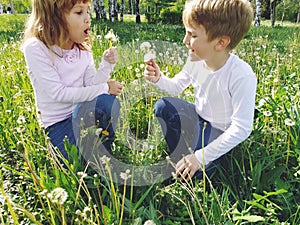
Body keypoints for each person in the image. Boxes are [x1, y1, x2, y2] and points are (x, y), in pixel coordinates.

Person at [144, 0, 256, 181]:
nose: (185, 41)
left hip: (220, 132)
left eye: (192, 35)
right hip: (199, 119)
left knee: (200, 174)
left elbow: (242, 128)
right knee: (163, 106)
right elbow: (176, 87)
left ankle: (197, 163)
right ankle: (182, 158)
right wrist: (159, 79)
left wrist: (200, 157)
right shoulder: (195, 60)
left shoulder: (241, 75)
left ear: (220, 42)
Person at [22, 0, 123, 163]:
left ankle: (105, 152)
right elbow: (59, 93)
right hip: (58, 126)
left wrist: (107, 65)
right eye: (79, 12)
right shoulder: (36, 48)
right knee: (76, 161)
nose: (88, 19)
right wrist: (105, 87)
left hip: (81, 114)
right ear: (54, 17)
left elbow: (91, 84)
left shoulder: (83, 49)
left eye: (88, 11)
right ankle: (86, 156)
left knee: (107, 103)